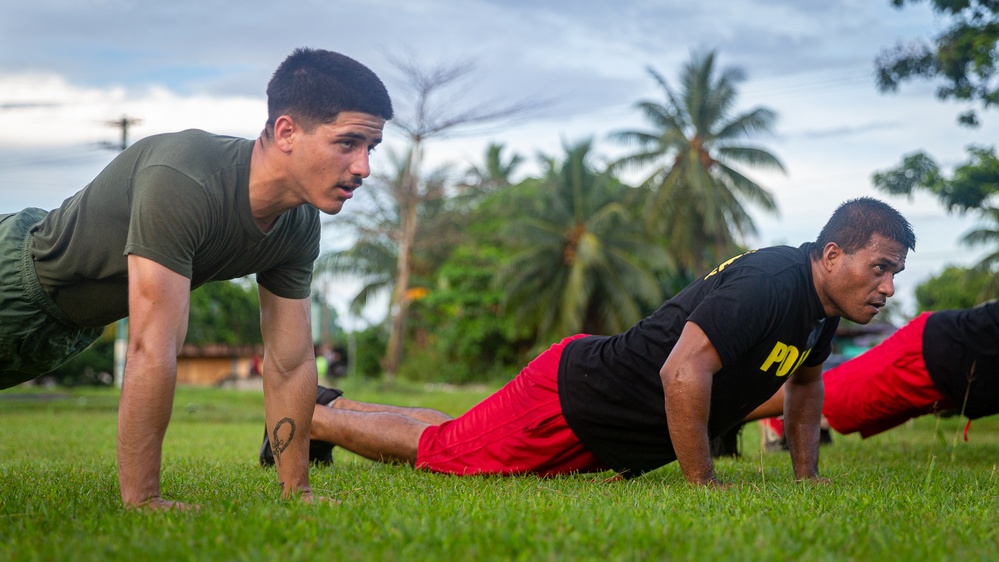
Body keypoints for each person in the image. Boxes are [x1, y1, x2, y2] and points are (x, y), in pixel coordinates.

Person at [260, 198, 916, 486]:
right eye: (878, 267)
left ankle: (327, 408)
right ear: (832, 254)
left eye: (895, 274)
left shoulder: (818, 309)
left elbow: (804, 384)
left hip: (587, 404)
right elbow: (683, 373)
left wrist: (805, 476)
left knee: (459, 434)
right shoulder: (773, 281)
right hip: (576, 404)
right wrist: (701, 483)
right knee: (443, 452)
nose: (886, 286)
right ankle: (306, 418)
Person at [0, 47, 393, 509]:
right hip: (14, 280)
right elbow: (152, 345)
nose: (364, 167)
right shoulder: (184, 179)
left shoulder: (298, 224)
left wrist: (298, 492)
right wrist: (144, 501)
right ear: (287, 131)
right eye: (348, 143)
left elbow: (289, 363)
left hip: (66, 329)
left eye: (371, 148)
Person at [745, 298, 999, 443]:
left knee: (847, 407)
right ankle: (722, 417)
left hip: (958, 377)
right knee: (834, 392)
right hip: (935, 350)